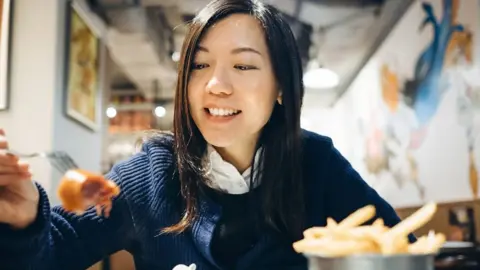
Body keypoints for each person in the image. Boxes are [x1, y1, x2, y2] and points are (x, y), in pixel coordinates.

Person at [0, 0, 413, 269]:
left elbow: (403, 249)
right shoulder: (149, 176)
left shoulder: (317, 165)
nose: (216, 84)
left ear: (282, 86)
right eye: (199, 66)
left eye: (244, 66)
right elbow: (52, 252)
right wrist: (23, 219)